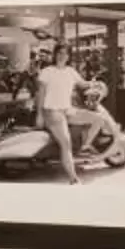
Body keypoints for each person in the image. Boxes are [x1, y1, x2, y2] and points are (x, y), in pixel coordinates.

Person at [33, 42, 86, 183]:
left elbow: (83, 83)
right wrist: (39, 115)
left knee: (96, 118)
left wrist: (97, 83)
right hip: (52, 111)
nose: (62, 56)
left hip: (67, 110)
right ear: (55, 54)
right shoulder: (47, 71)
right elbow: (41, 94)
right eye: (59, 53)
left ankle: (85, 149)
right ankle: (74, 179)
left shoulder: (71, 71)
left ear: (69, 56)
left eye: (65, 53)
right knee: (66, 143)